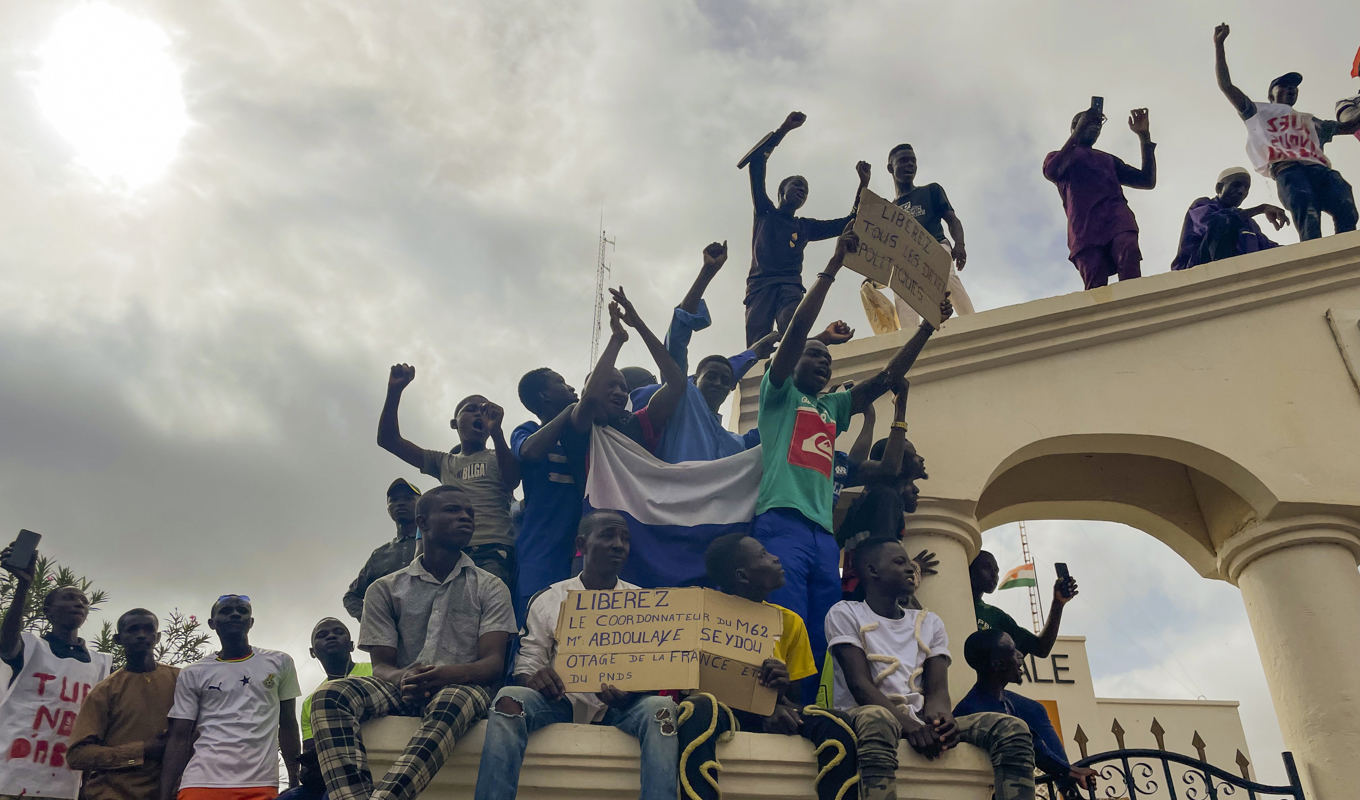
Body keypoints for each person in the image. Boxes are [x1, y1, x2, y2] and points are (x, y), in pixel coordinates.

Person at [753, 223, 952, 699]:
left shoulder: (830, 409)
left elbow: (886, 378)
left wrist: (926, 327)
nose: (822, 362)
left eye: (827, 361)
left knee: (826, 630)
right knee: (785, 620)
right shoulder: (778, 396)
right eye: (812, 356)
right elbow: (799, 329)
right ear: (792, 359)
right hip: (781, 522)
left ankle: (812, 708)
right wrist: (834, 266)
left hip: (823, 535)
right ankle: (778, 706)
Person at [310, 485, 516, 800]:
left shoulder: (491, 587)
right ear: (423, 522)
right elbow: (381, 667)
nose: (465, 518)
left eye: (469, 513)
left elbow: (492, 664)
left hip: (462, 686)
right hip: (401, 687)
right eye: (452, 510)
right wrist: (404, 676)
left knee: (455, 700)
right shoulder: (384, 589)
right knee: (330, 694)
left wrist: (444, 675)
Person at [473, 510, 679, 800]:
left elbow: (654, 670)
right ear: (582, 544)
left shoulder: (644, 603)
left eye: (625, 539)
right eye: (608, 535)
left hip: (621, 708)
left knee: (661, 708)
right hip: (560, 703)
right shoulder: (549, 599)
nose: (619, 544)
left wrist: (633, 693)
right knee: (509, 699)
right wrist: (535, 678)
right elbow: (527, 663)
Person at [826, 538, 1037, 800]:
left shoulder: (930, 622)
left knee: (1012, 728)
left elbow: (937, 689)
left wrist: (940, 721)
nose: (909, 568)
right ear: (872, 571)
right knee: (876, 719)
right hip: (866, 716)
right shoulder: (845, 613)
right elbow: (861, 685)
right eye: (899, 562)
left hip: (919, 721)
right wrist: (909, 726)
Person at [673, 533, 859, 800]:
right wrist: (763, 711)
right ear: (742, 576)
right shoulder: (700, 616)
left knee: (837, 723)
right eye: (762, 555)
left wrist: (781, 685)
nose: (775, 558)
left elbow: (794, 697)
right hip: (724, 713)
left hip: (772, 709)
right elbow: (691, 686)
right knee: (698, 708)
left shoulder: (790, 622)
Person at [1213, 24, 1359, 241]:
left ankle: (1347, 252)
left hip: (1319, 169)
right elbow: (1226, 85)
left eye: (1294, 87)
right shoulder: (1258, 112)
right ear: (1271, 95)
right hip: (1288, 170)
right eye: (1284, 86)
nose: (1291, 89)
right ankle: (1314, 255)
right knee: (1307, 213)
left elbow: (1348, 127)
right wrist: (1219, 44)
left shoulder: (1311, 121)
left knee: (1346, 205)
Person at [377, 365, 520, 586]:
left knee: (488, 611)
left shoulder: (498, 455)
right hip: (450, 550)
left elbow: (512, 480)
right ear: (454, 423)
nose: (479, 414)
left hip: (494, 550)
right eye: (470, 409)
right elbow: (389, 440)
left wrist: (498, 433)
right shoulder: (443, 462)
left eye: (484, 410)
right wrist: (394, 392)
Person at [742, 110, 871, 346]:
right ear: (781, 191)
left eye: (806, 191)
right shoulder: (765, 212)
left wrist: (863, 184)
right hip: (760, 286)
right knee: (756, 345)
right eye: (797, 186)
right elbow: (757, 162)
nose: (802, 191)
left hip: (790, 285)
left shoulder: (805, 227)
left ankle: (799, 356)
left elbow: (849, 222)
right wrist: (784, 129)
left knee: (792, 326)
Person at [159, 595, 302, 800]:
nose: (235, 614)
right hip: (200, 783)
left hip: (260, 784)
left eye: (242, 611)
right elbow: (179, 737)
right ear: (212, 623)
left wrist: (294, 779)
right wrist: (164, 795)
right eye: (226, 611)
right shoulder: (193, 672)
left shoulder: (280, 662)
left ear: (251, 622)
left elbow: (288, 724)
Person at [0, 543, 112, 800]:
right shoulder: (30, 647)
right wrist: (23, 586)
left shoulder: (101, 664)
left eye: (83, 601)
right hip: (11, 779)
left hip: (65, 784)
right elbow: (6, 645)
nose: (79, 604)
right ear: (47, 611)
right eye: (69, 598)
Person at [955, 630, 1097, 799]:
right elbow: (1032, 744)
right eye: (1013, 651)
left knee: (1035, 709)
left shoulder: (1008, 701)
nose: (1021, 655)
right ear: (998, 664)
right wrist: (1073, 771)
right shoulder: (977, 707)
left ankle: (1071, 795)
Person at [563, 289, 687, 478]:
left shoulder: (635, 424)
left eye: (624, 388)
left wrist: (638, 324)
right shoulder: (579, 426)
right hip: (597, 508)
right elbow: (590, 399)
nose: (620, 392)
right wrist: (617, 339)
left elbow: (677, 384)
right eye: (610, 385)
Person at [67, 609, 180, 800]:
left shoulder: (181, 679)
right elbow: (78, 755)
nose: (142, 635)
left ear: (158, 636)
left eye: (148, 629)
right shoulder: (105, 691)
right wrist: (142, 750)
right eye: (133, 630)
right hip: (114, 793)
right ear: (118, 639)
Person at [1043, 104, 1157, 290]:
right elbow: (1052, 171)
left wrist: (1144, 137)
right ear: (1076, 125)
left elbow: (1146, 180)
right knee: (1095, 280)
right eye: (1090, 122)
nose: (1096, 127)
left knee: (1128, 250)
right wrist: (1078, 133)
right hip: (1084, 226)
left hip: (1117, 217)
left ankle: (1135, 301)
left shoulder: (1107, 159)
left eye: (1099, 124)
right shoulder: (1059, 157)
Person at [511, 368, 582, 617]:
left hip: (580, 548)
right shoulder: (526, 430)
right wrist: (567, 412)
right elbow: (530, 452)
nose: (571, 388)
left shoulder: (583, 432)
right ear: (544, 395)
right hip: (541, 550)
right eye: (561, 383)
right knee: (534, 625)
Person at [881, 143, 976, 325]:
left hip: (935, 245)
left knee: (946, 278)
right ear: (890, 168)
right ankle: (910, 338)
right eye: (903, 161)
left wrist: (960, 244)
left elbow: (952, 220)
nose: (910, 165)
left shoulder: (931, 190)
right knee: (902, 289)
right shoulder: (890, 209)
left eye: (913, 161)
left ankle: (972, 322)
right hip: (906, 256)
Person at [1172, 167, 1288, 271]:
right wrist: (1260, 209)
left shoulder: (1248, 223)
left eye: (1246, 187)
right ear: (1219, 188)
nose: (1241, 191)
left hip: (1241, 276)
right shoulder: (1202, 205)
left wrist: (1301, 250)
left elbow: (1267, 248)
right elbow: (1215, 223)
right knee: (1223, 222)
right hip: (1198, 272)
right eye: (1236, 185)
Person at [969, 550, 1078, 658]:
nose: (994, 576)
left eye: (996, 571)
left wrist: (1058, 604)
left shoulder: (995, 615)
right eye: (987, 568)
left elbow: (1041, 648)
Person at [342, 479, 422, 621]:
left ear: (422, 506)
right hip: (391, 639)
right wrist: (373, 620)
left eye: (408, 499)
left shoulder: (436, 543)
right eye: (394, 500)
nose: (400, 503)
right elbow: (351, 596)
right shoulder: (379, 555)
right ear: (388, 510)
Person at [299, 618, 372, 745]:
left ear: (351, 646)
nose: (331, 636)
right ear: (312, 652)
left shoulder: (376, 671)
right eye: (322, 635)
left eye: (338, 632)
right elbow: (311, 749)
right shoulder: (311, 703)